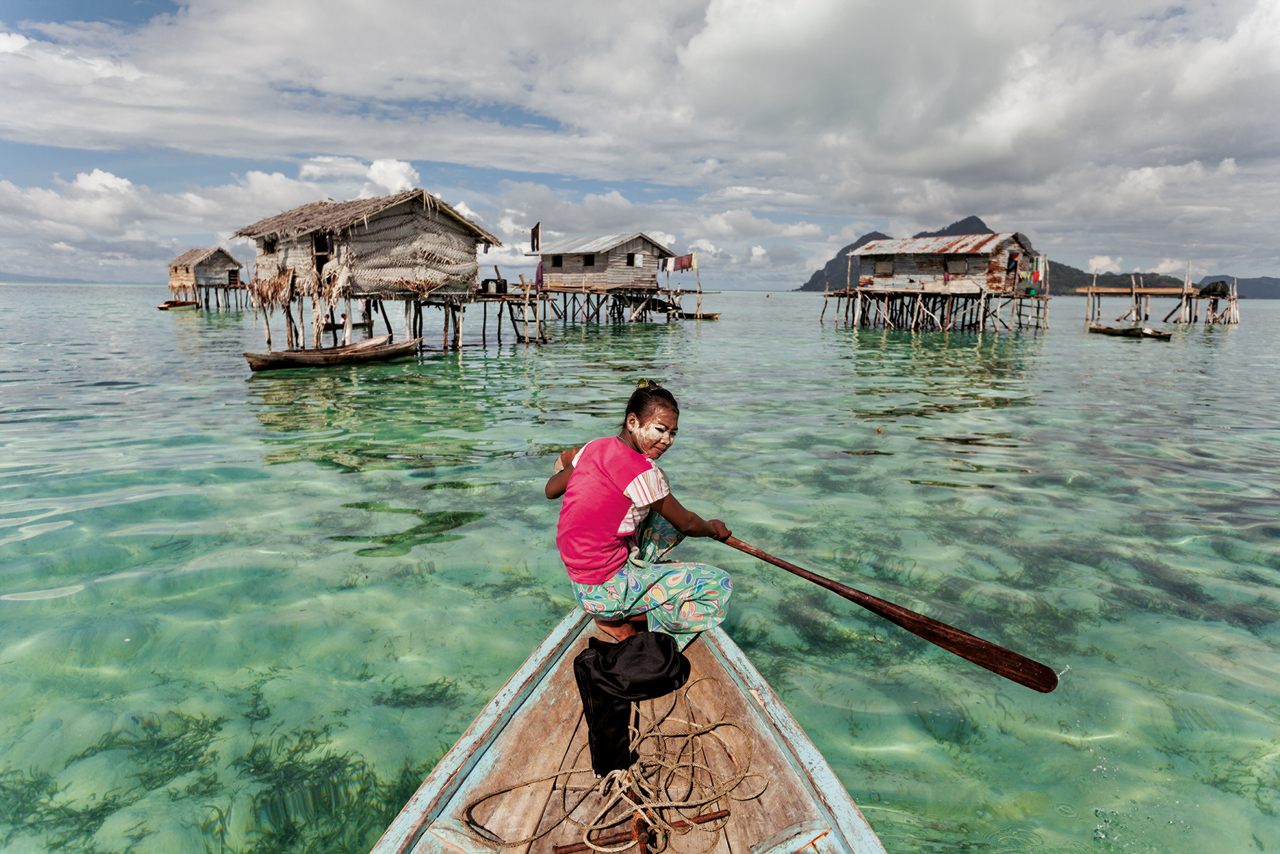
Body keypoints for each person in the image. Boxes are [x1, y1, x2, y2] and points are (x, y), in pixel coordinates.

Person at [545, 381, 732, 645]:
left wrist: (569, 465)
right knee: (719, 586)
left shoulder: (593, 447)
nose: (666, 440)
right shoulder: (644, 471)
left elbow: (551, 490)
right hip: (604, 591)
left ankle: (637, 583)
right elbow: (688, 523)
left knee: (659, 515)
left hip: (580, 579)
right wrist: (714, 528)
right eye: (660, 429)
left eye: (673, 433)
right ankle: (629, 619)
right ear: (632, 422)